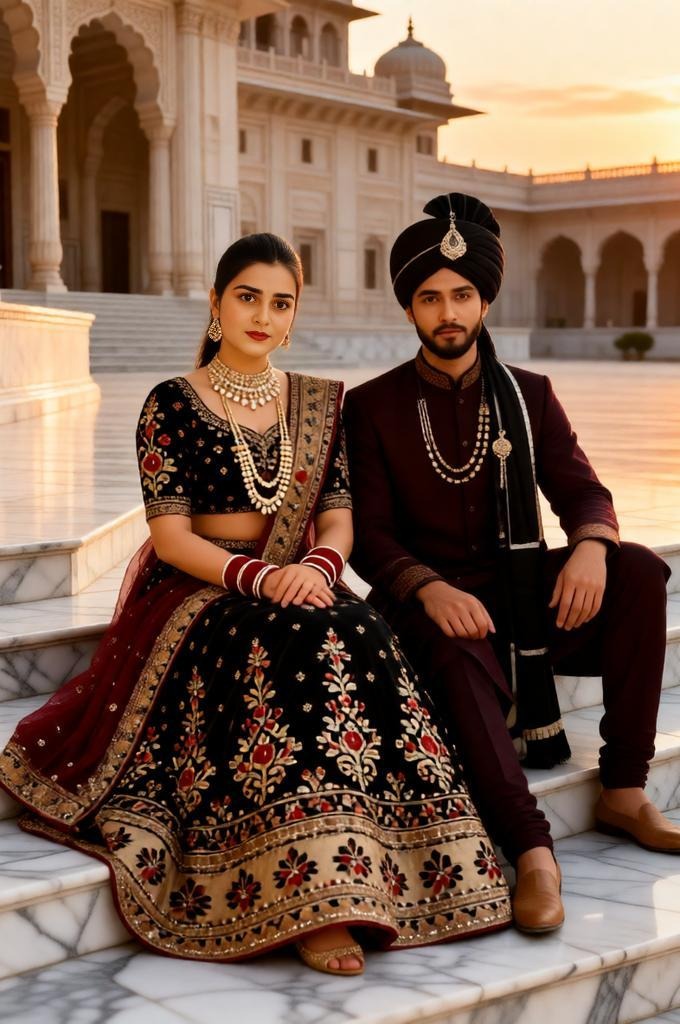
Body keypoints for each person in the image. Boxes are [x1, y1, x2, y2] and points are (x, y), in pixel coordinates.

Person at [0, 232, 511, 975]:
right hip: (201, 588)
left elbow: (338, 513)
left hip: (303, 572)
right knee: (281, 644)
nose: (263, 316)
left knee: (361, 629)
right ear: (215, 303)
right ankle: (309, 894)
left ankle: (409, 861)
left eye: (281, 302)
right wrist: (263, 579)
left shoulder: (314, 402)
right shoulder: (169, 403)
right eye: (247, 297)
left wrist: (319, 566)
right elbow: (171, 538)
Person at [343, 193, 674, 936]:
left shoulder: (530, 395)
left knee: (641, 574)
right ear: (410, 309)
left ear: (485, 298)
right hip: (431, 616)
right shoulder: (372, 407)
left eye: (462, 294)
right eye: (430, 298)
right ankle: (532, 850)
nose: (447, 311)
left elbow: (583, 489)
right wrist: (427, 588)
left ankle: (623, 789)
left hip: (523, 605)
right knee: (459, 648)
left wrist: (591, 545)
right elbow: (369, 535)